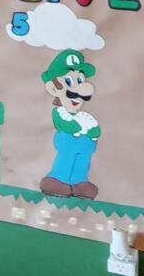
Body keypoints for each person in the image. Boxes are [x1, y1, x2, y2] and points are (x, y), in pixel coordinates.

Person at [39, 50, 102, 198]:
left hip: (85, 144)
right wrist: (78, 128)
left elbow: (93, 127)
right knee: (67, 158)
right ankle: (58, 179)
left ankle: (79, 182)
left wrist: (92, 133)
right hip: (68, 139)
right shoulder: (61, 112)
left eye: (80, 80)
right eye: (69, 81)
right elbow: (64, 124)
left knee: (82, 161)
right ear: (53, 88)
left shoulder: (83, 115)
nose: (79, 88)